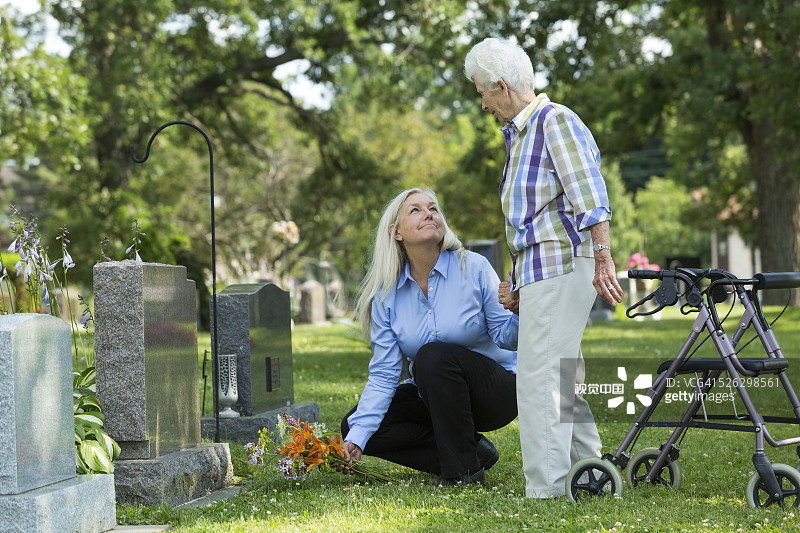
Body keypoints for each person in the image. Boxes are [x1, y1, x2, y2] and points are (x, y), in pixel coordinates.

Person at [464, 37, 624, 499]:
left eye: (482, 92)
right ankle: (589, 471)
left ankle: (549, 487)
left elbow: (589, 194)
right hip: (541, 268)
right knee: (559, 375)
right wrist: (517, 281)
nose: (483, 104)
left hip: (562, 265)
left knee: (537, 378)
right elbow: (532, 220)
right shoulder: (521, 134)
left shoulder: (555, 121)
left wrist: (603, 256)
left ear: (501, 86)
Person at [340, 187, 519, 486]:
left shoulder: (473, 267)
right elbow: (385, 374)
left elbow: (506, 337)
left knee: (432, 355)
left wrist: (519, 312)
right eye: (416, 210)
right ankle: (473, 452)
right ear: (396, 233)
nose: (429, 214)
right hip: (435, 397)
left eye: (433, 209)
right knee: (355, 425)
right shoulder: (387, 296)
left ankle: (463, 472)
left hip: (496, 391)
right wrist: (358, 438)